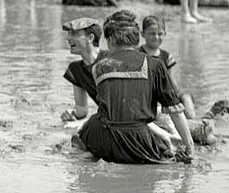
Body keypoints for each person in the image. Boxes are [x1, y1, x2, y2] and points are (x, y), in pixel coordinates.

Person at [63, 12, 197, 163]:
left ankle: (88, 153)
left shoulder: (99, 67)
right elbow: (175, 112)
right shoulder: (155, 64)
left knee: (93, 124)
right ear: (136, 38)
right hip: (140, 143)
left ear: (111, 39)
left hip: (104, 140)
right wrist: (189, 147)